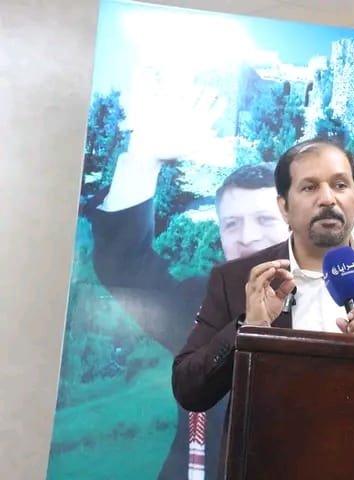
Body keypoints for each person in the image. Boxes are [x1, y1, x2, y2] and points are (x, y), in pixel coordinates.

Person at [171, 137, 354, 476]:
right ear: (284, 207)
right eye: (309, 187)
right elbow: (189, 389)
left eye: (340, 185)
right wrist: (248, 328)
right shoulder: (237, 279)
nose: (327, 198)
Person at [87, 80, 288, 479]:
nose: (247, 236)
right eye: (232, 223)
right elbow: (124, 264)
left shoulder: (343, 312)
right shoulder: (203, 307)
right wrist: (144, 158)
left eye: (264, 220)